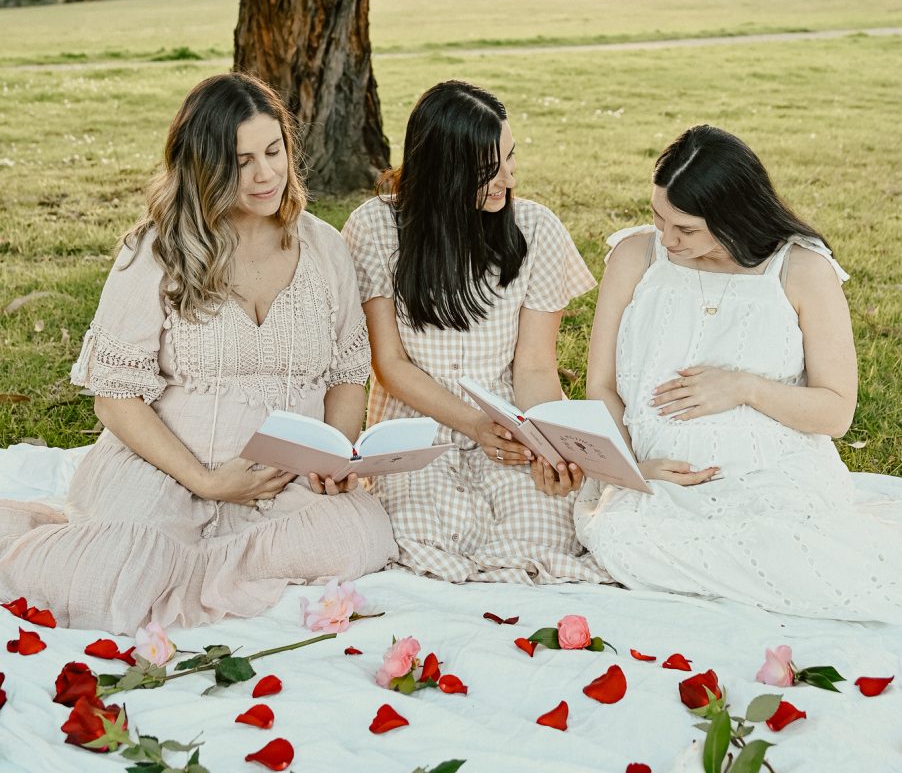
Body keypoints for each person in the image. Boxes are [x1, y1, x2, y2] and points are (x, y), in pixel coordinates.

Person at [0, 73, 397, 634]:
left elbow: (348, 376)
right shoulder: (157, 249)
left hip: (282, 481)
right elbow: (116, 398)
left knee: (359, 537)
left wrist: (333, 458)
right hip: (167, 469)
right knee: (110, 577)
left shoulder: (324, 248)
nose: (265, 175)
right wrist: (208, 482)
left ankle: (196, 569)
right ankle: (163, 553)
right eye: (241, 161)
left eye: (273, 151)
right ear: (204, 167)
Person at [574, 125, 902, 621]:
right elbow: (599, 384)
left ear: (733, 216)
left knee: (790, 547)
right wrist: (632, 469)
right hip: (660, 479)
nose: (668, 239)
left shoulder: (799, 270)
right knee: (618, 536)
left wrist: (743, 387)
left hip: (769, 474)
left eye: (686, 229)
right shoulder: (634, 256)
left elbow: (836, 412)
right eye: (658, 218)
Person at [342, 79, 609, 585]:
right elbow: (389, 365)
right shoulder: (375, 227)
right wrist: (472, 426)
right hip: (415, 428)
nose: (507, 178)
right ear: (444, 172)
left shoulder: (537, 229)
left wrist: (551, 445)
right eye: (489, 169)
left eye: (511, 158)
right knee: (421, 534)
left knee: (547, 531)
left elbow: (534, 366)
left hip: (510, 429)